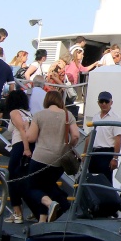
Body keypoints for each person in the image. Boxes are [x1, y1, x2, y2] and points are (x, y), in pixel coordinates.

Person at [22, 90, 80, 221]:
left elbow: (31, 138)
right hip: (59, 160)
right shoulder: (68, 115)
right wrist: (69, 146)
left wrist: (26, 127)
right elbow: (76, 135)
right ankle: (43, 220)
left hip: (40, 158)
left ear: (46, 100)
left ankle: (51, 203)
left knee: (31, 187)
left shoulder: (39, 115)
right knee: (47, 187)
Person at [1, 88, 34, 223]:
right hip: (32, 146)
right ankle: (33, 209)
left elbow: (21, 130)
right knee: (25, 178)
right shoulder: (30, 114)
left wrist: (25, 148)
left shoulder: (14, 112)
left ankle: (17, 212)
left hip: (20, 145)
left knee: (12, 178)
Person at [88, 91, 121, 181]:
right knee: (92, 181)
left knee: (105, 182)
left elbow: (118, 140)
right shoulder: (95, 117)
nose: (104, 104)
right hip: (94, 153)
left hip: (106, 154)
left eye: (106, 102)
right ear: (98, 102)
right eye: (101, 101)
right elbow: (89, 137)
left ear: (111, 102)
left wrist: (115, 158)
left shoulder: (116, 118)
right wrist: (86, 154)